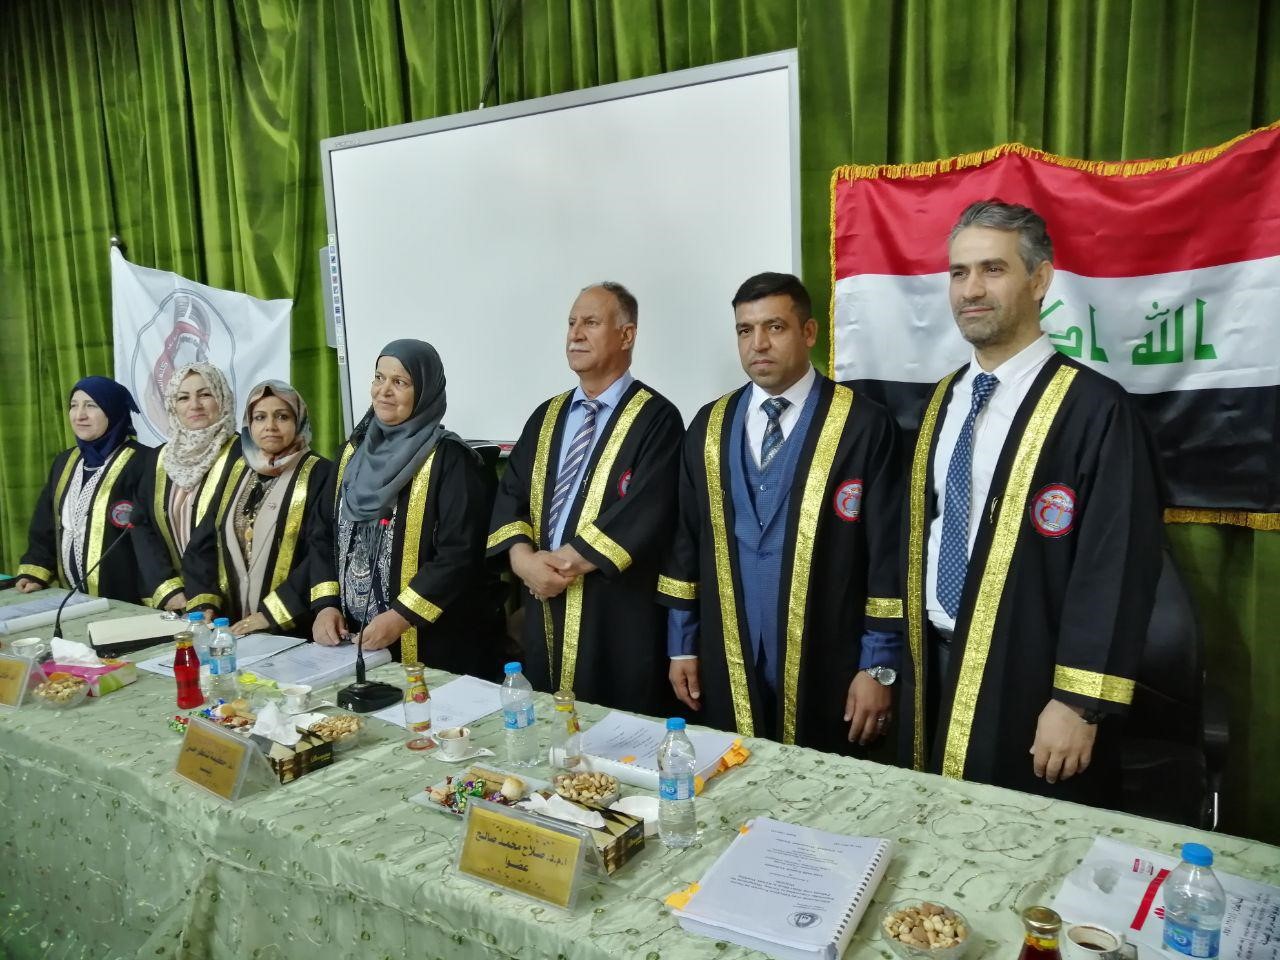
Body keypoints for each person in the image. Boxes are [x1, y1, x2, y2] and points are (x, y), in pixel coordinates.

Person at [897, 199, 1163, 807]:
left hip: (1030, 674)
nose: (971, 289)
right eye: (959, 272)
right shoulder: (942, 401)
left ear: (1040, 280)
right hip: (930, 663)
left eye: (992, 269)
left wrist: (1078, 702)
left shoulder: (1096, 409)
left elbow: (1117, 565)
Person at [657, 273, 904, 753]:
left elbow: (889, 556)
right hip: (728, 652)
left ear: (808, 332)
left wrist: (879, 666)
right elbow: (685, 542)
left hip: (830, 659)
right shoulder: (709, 426)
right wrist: (682, 645)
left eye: (775, 327)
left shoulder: (863, 424)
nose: (759, 344)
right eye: (745, 330)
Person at [488, 282, 683, 713]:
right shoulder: (547, 416)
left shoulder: (657, 419)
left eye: (590, 323)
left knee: (615, 731)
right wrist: (524, 562)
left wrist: (559, 567)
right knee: (546, 726)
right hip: (542, 605)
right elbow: (511, 494)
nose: (575, 334)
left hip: (615, 615)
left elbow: (646, 511)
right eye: (572, 322)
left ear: (626, 335)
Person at [310, 340, 500, 676]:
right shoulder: (351, 454)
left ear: (425, 391)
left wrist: (402, 616)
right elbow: (322, 535)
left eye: (400, 382)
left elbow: (460, 554)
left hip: (429, 644)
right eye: (379, 378)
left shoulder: (451, 461)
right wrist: (325, 605)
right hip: (352, 644)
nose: (384, 391)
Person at [182, 381, 331, 636]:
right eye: (260, 417)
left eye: (282, 417)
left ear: (299, 420)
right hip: (230, 628)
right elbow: (203, 542)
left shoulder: (321, 473)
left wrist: (271, 614)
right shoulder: (236, 470)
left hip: (292, 629)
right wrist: (204, 603)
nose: (270, 426)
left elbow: (322, 553)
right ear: (249, 424)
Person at [15, 377, 150, 603]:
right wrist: (35, 570)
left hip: (129, 602)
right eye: (74, 405)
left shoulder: (144, 462)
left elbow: (152, 539)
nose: (79, 416)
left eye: (91, 405)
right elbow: (45, 524)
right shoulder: (64, 462)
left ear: (113, 410)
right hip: (72, 602)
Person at [131, 363, 239, 612]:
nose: (195, 405)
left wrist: (202, 597)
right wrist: (168, 589)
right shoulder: (157, 460)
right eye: (183, 398)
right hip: (173, 602)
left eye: (205, 394)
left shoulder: (243, 456)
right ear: (172, 406)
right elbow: (142, 528)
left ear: (222, 398)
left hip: (227, 601)